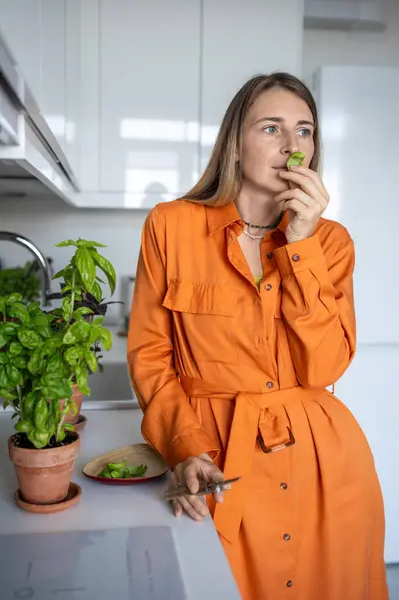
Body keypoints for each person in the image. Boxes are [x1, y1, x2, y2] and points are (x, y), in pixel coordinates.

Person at [127, 72, 388, 600]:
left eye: (306, 131)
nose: (293, 147)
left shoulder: (331, 243)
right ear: (235, 142)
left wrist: (301, 244)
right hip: (217, 460)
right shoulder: (170, 226)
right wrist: (184, 449)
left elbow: (326, 367)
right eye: (271, 128)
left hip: (323, 468)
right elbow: (151, 355)